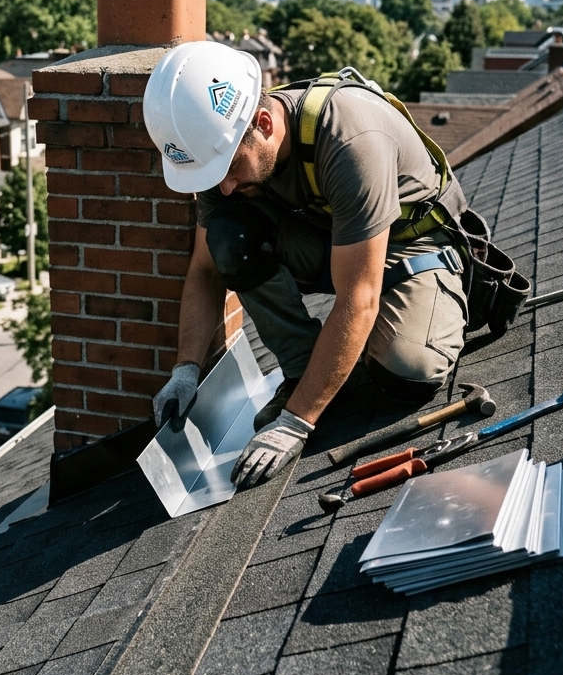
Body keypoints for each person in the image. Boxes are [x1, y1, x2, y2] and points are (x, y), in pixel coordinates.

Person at [144, 41, 471, 489]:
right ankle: (303, 370)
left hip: (411, 245)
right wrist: (186, 369)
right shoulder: (219, 158)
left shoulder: (349, 138)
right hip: (335, 239)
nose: (222, 187)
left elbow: (359, 297)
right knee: (229, 235)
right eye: (209, 176)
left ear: (262, 123)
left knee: (407, 370)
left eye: (228, 168)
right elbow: (205, 268)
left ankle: (417, 319)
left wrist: (297, 423)